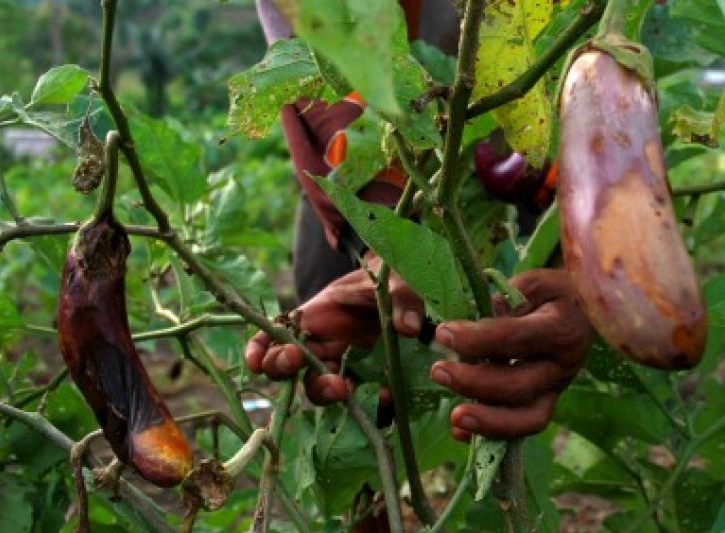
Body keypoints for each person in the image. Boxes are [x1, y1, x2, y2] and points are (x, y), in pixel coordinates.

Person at [244, 0, 592, 442]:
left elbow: (614, 53)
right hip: (368, 152)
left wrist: (591, 273)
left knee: (517, 350)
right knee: (353, 386)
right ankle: (368, 487)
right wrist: (384, 247)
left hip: (529, 151)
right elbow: (319, 49)